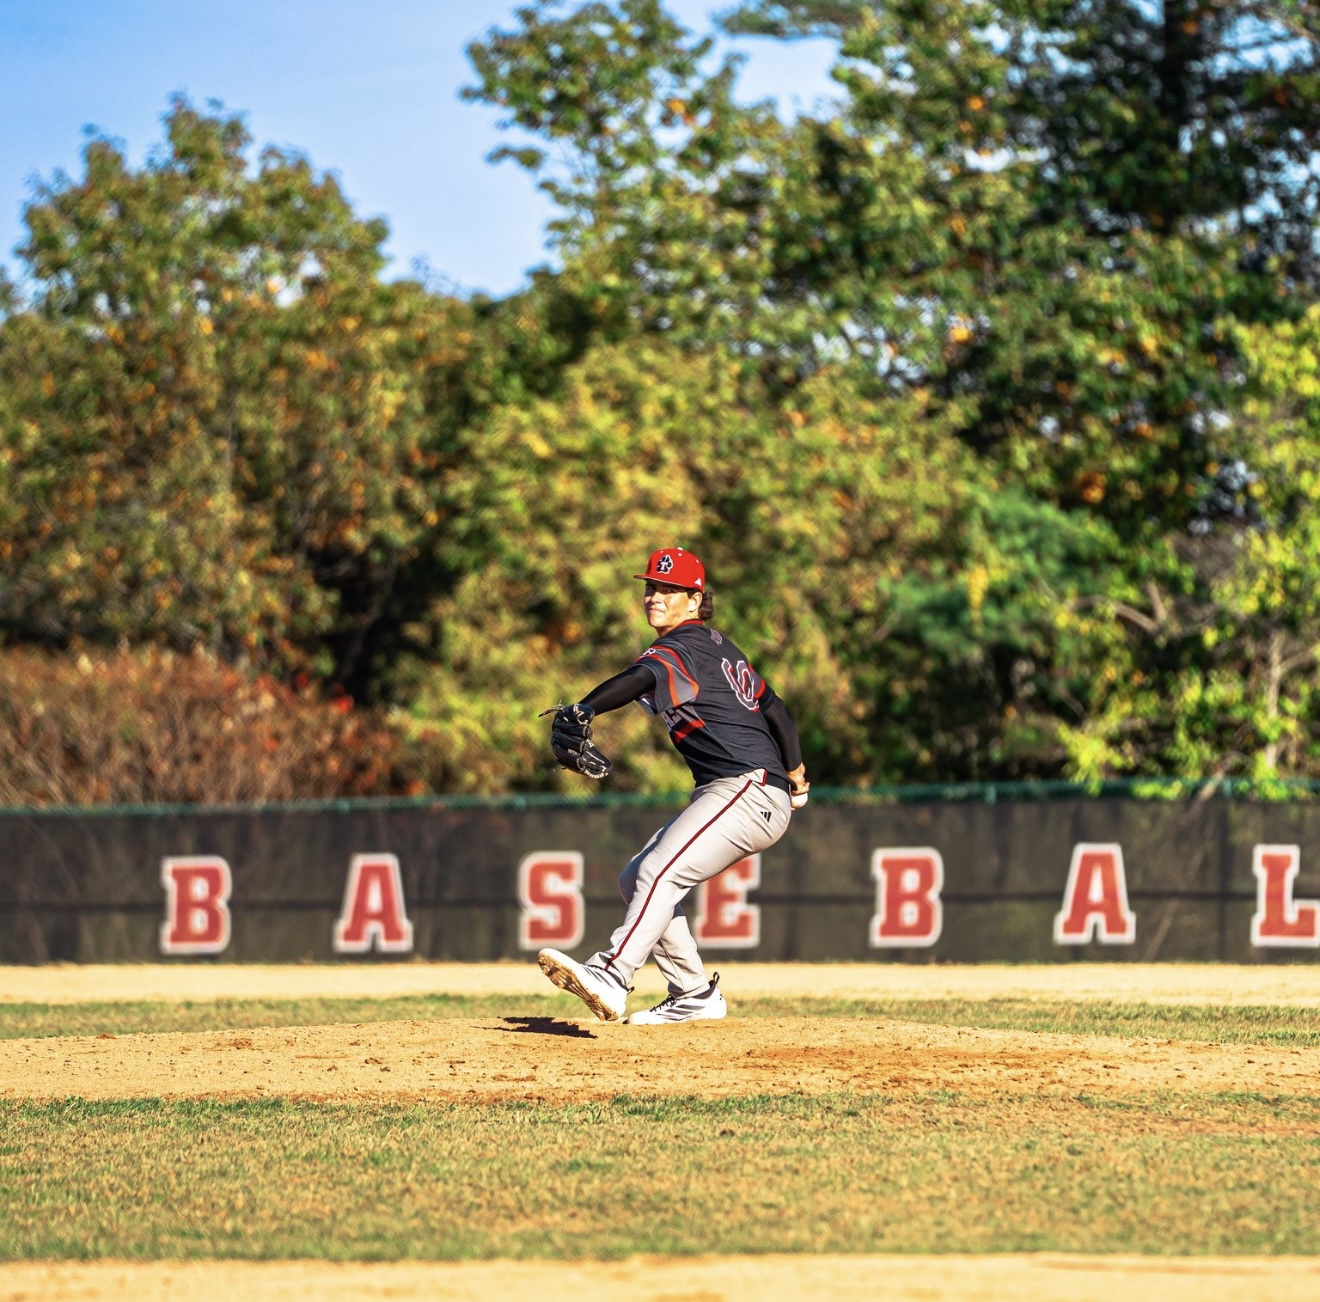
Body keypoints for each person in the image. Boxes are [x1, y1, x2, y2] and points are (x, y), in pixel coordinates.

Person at [537, 547, 809, 1024]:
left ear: (695, 599)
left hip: (746, 789)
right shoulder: (718, 648)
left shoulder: (683, 645)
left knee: (659, 872)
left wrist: (586, 708)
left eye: (669, 589)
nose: (654, 596)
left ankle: (613, 973)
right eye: (650, 586)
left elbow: (639, 676)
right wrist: (798, 773)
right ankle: (693, 991)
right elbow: (775, 708)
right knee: (636, 878)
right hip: (741, 790)